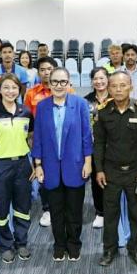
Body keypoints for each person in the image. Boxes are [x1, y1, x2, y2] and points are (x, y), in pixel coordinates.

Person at [32, 67, 92, 262]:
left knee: (74, 211)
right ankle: (59, 245)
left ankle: (74, 244)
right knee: (56, 211)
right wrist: (38, 164)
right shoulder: (42, 106)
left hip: (75, 165)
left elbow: (86, 136)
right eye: (55, 82)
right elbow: (38, 137)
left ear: (69, 83)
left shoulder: (80, 104)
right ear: (49, 84)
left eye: (63, 82)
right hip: (49, 167)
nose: (59, 85)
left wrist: (88, 162)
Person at [94, 71, 137, 267]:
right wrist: (99, 169)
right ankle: (109, 250)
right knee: (110, 214)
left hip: (136, 172)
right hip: (111, 172)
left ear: (131, 87)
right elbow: (98, 144)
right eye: (114, 86)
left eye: (123, 85)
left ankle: (135, 250)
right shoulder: (102, 112)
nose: (118, 89)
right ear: (109, 89)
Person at [0, 74, 34, 264]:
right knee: (1, 208)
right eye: (6, 87)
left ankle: (22, 242)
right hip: (0, 165)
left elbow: (31, 138)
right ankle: (5, 245)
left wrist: (35, 164)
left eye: (14, 87)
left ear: (19, 90)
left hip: (22, 165)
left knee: (23, 207)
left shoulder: (26, 112)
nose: (11, 91)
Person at [24, 56, 60, 227]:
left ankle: (62, 207)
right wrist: (31, 143)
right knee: (44, 176)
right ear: (38, 72)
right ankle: (47, 209)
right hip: (42, 142)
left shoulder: (66, 90)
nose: (46, 72)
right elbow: (27, 121)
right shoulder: (31, 93)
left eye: (49, 69)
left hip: (62, 140)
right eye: (42, 70)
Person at [84, 67, 110, 229]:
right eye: (95, 79)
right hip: (94, 149)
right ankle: (100, 212)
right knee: (97, 181)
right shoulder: (85, 101)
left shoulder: (116, 97)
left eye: (102, 78)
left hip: (115, 148)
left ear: (108, 79)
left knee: (114, 181)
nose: (99, 82)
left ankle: (115, 212)